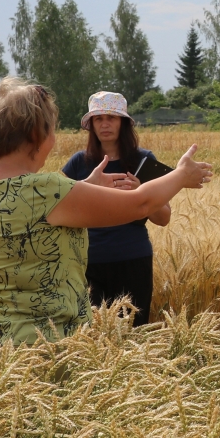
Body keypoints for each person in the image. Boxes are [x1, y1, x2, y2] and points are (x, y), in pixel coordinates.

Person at [0, 77, 212, 344]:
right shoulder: (49, 189)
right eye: (52, 130)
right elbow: (141, 203)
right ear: (36, 135)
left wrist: (84, 186)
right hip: (47, 347)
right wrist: (182, 175)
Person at [60, 91, 167, 327]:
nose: (105, 124)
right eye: (98, 119)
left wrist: (141, 193)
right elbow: (60, 209)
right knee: (90, 336)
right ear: (91, 125)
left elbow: (164, 217)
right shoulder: (78, 163)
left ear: (123, 123)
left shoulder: (143, 160)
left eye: (111, 117)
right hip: (87, 264)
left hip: (132, 261)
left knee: (133, 333)